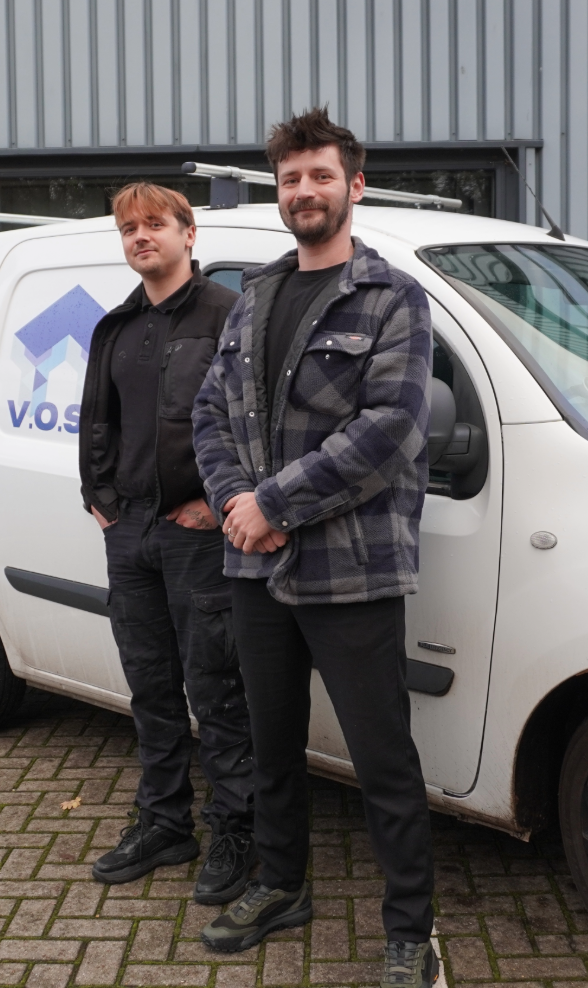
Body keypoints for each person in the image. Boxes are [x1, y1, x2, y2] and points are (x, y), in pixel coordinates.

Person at [192, 109, 437, 988]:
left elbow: (393, 428)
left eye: (320, 176)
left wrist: (277, 505)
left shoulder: (393, 298)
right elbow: (210, 413)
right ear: (279, 190)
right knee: (272, 742)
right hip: (252, 563)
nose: (304, 192)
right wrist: (234, 505)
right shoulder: (256, 294)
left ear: (354, 186)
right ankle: (279, 884)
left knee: (382, 759)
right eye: (291, 179)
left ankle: (412, 931)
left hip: (353, 568)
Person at [78, 182, 256, 905]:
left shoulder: (226, 316)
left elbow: (256, 422)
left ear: (189, 233)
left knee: (217, 691)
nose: (139, 237)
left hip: (199, 538)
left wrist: (222, 507)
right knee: (150, 688)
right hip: (134, 535)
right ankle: (164, 824)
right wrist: (103, 503)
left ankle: (237, 830)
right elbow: (98, 422)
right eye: (128, 228)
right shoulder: (116, 326)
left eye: (154, 225)